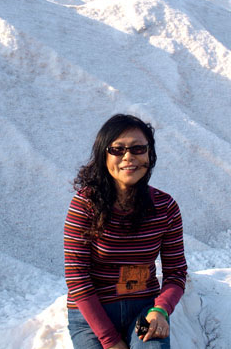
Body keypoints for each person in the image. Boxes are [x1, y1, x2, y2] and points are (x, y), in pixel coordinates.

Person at [64, 114, 187, 349]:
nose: (128, 157)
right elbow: (77, 277)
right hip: (93, 315)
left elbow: (176, 272)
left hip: (143, 310)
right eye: (117, 149)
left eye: (138, 148)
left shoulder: (165, 207)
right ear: (104, 155)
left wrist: (160, 310)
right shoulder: (84, 206)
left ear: (149, 155)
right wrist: (110, 341)